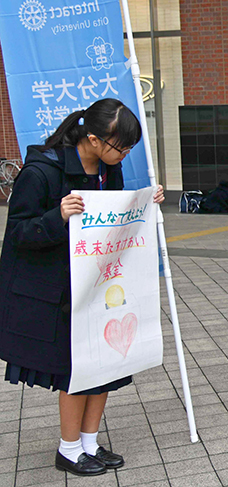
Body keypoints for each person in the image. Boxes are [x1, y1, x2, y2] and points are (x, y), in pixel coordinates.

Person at [0, 99, 165, 476]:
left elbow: (116, 220)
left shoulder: (111, 170)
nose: (123, 154)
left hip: (101, 287)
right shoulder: (42, 172)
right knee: (76, 370)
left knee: (105, 364)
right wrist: (56, 215)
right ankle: (69, 448)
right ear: (93, 139)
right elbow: (19, 233)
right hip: (60, 293)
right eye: (119, 146)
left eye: (127, 148)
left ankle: (90, 442)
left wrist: (144, 203)